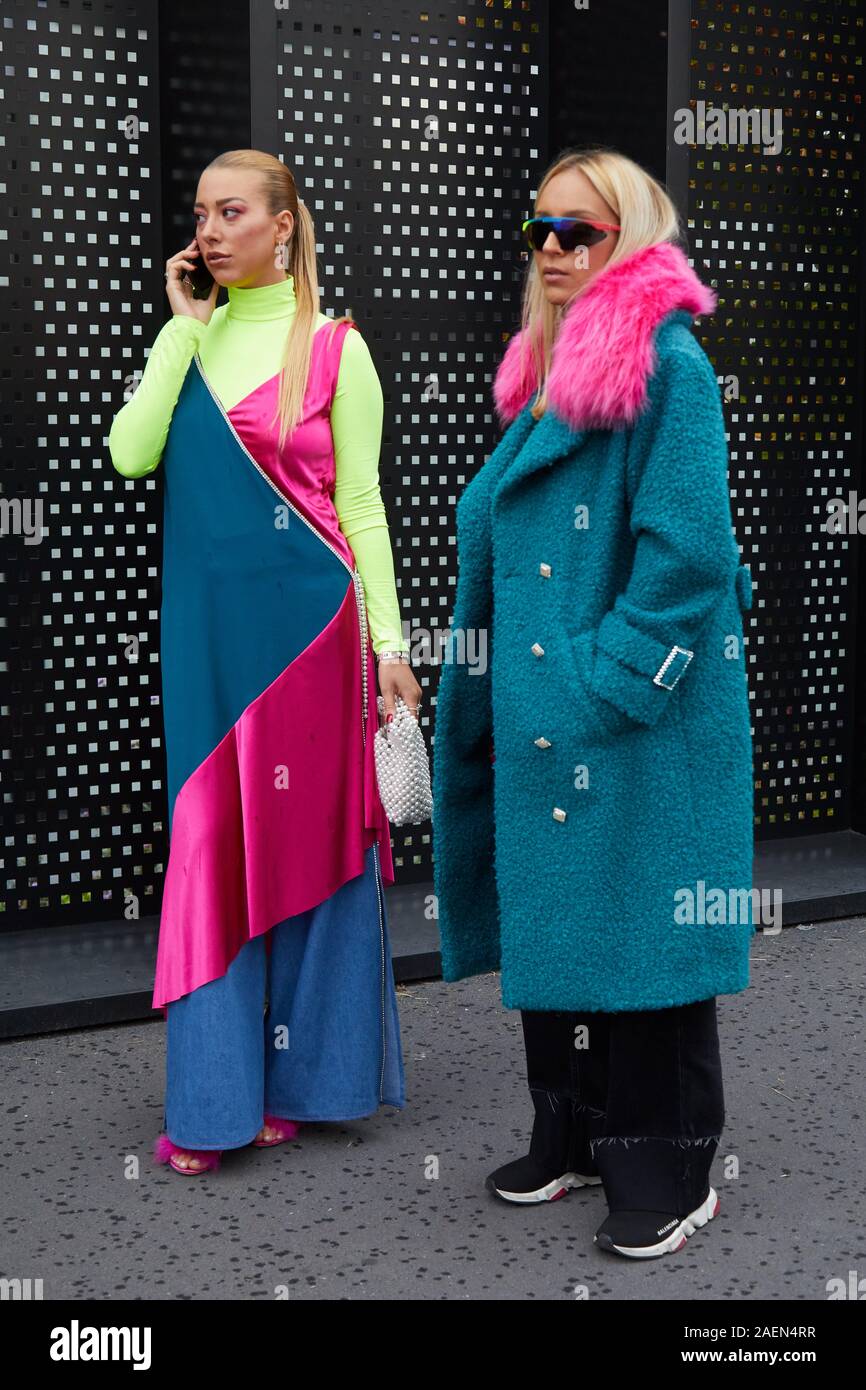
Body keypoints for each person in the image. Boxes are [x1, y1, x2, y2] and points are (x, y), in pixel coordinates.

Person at [432, 146, 755, 1259]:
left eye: (582, 229)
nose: (556, 248)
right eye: (542, 229)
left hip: (627, 720)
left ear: (633, 239)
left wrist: (602, 682)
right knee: (568, 922)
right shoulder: (543, 374)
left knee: (648, 939)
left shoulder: (668, 365)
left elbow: (687, 559)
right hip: (544, 712)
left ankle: (667, 1168)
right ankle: (571, 1134)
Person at [109, 148, 422, 1175]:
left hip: (313, 632)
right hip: (207, 640)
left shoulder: (336, 347)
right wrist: (181, 332)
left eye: (230, 211)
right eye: (199, 213)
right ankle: (218, 1102)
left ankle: (315, 1082)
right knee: (208, 838)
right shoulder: (185, 338)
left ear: (281, 224)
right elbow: (131, 452)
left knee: (315, 848)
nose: (208, 229)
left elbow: (364, 508)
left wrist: (388, 643)